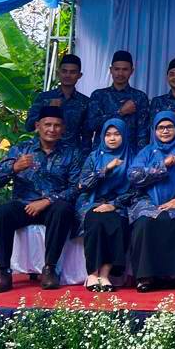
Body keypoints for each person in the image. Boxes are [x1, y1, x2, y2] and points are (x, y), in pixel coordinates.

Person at [0, 107, 83, 293]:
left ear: (63, 128)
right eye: (47, 124)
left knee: (63, 210)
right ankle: (3, 272)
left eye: (57, 125)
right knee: (0, 214)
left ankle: (50, 269)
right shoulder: (21, 150)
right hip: (24, 205)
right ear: (38, 126)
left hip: (53, 207)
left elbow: (76, 188)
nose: (52, 129)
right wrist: (14, 168)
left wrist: (47, 200)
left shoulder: (72, 153)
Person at [126, 111, 175, 292]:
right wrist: (162, 166)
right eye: (160, 128)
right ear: (154, 130)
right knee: (144, 222)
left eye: (169, 127)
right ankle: (145, 277)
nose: (165, 131)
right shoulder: (147, 151)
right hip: (149, 201)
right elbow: (133, 176)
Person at [77, 119, 133, 293]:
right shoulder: (94, 156)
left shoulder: (132, 157)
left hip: (119, 204)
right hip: (91, 201)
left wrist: (114, 205)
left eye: (117, 134)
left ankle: (105, 274)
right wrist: (106, 169)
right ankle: (92, 274)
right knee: (95, 221)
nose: (112, 138)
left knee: (116, 222)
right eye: (108, 135)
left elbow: (136, 190)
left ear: (124, 136)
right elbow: (83, 184)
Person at [86, 50, 150, 150]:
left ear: (132, 71)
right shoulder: (99, 95)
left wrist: (141, 157)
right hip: (102, 153)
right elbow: (91, 125)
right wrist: (120, 112)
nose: (120, 73)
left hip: (130, 154)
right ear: (111, 70)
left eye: (125, 69)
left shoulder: (140, 97)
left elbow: (143, 133)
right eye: (117, 69)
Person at [25, 53, 90, 150]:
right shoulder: (44, 98)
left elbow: (87, 133)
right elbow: (29, 126)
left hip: (71, 154)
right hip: (45, 151)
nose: (68, 75)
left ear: (79, 75)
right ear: (58, 73)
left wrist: (85, 154)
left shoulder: (85, 102)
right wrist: (47, 109)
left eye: (72, 72)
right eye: (64, 71)